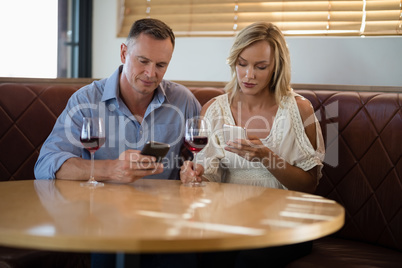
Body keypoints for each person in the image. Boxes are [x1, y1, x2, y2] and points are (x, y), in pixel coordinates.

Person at [180, 22, 325, 267]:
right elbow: (210, 177)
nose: (249, 75)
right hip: (228, 219)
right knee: (205, 256)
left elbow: (309, 185)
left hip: (284, 222)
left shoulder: (298, 109)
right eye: (242, 64)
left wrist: (266, 157)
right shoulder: (214, 110)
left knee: (248, 261)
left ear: (276, 67)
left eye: (261, 66)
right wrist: (196, 176)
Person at [34, 18, 201, 183]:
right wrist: (111, 169)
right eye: (143, 61)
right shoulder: (86, 100)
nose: (150, 73)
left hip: (165, 208)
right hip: (102, 207)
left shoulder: (183, 101)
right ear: (123, 53)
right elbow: (46, 164)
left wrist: (197, 170)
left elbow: (207, 157)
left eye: (161, 65)